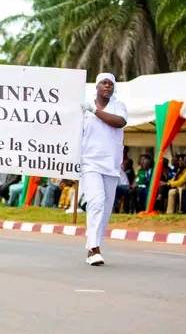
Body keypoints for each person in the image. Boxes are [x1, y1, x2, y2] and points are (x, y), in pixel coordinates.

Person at [80, 72, 127, 266]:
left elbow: (120, 122)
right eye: (104, 83)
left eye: (111, 83)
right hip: (90, 162)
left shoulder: (118, 106)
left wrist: (95, 111)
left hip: (111, 164)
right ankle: (93, 249)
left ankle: (94, 242)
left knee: (106, 209)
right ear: (97, 87)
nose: (108, 86)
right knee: (96, 202)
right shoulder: (84, 107)